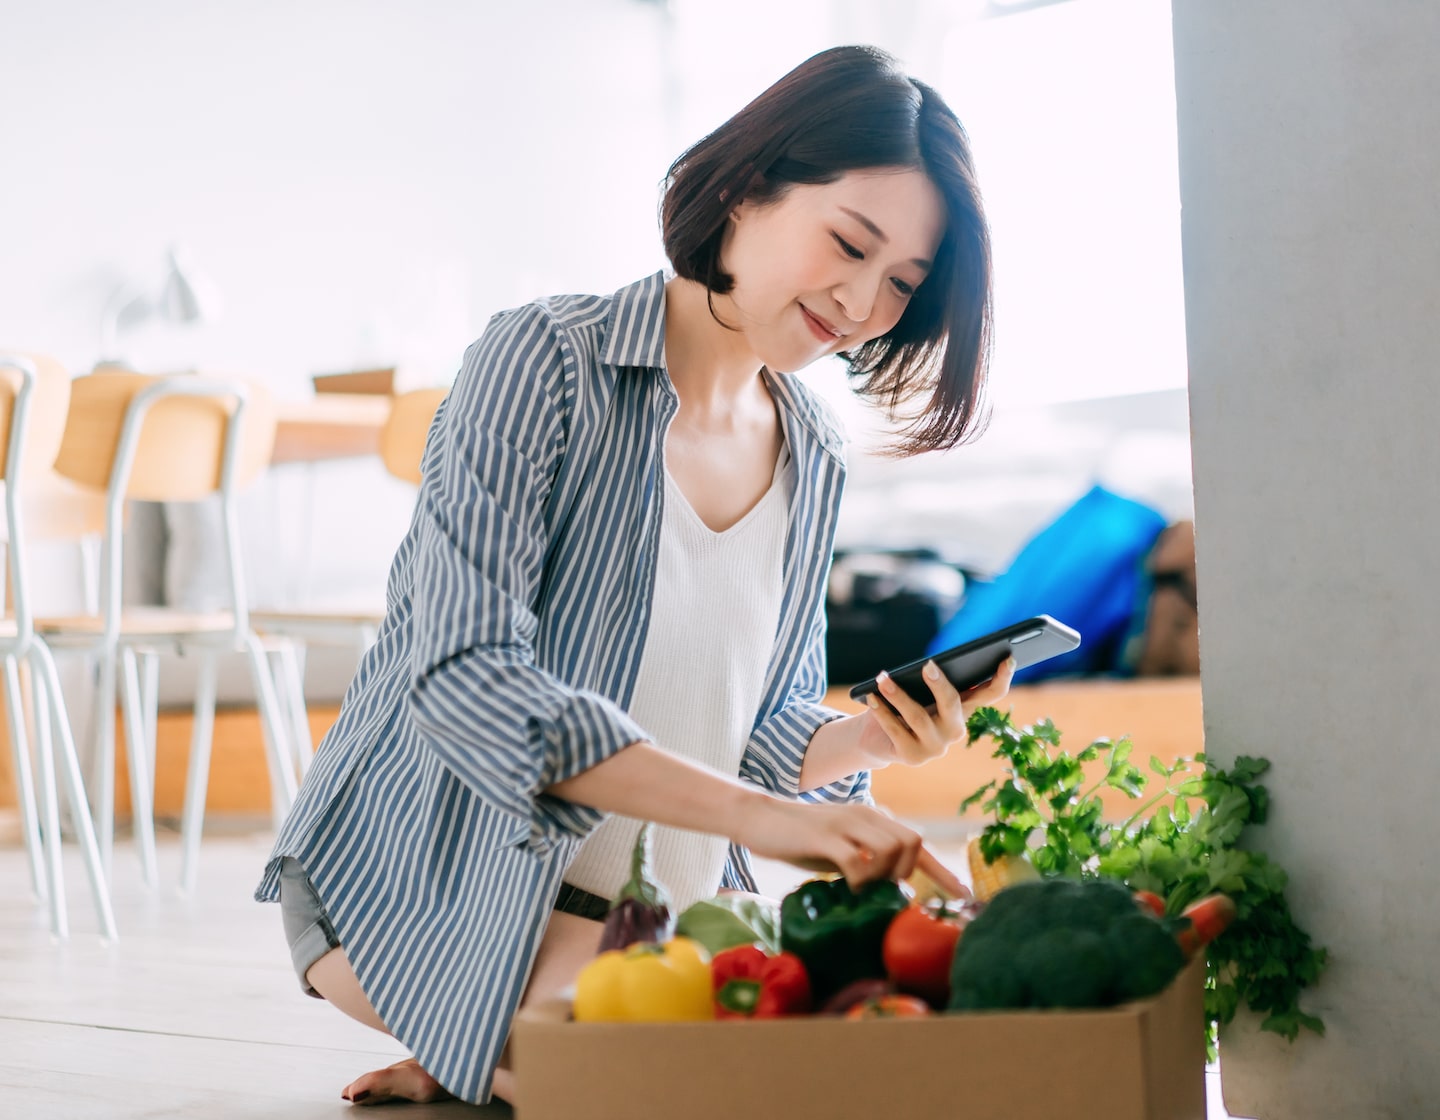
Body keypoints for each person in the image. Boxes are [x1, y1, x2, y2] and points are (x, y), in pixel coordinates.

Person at [255, 43, 1011, 1108]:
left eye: (901, 283)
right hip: (434, 888)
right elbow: (471, 680)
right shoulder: (541, 362)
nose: (861, 300)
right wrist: (768, 821)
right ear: (749, 187)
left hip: (644, 920)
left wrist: (872, 738)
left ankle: (507, 1051)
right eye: (848, 241)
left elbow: (757, 727)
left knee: (885, 1029)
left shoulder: (815, 453)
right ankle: (497, 1031)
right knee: (735, 1073)